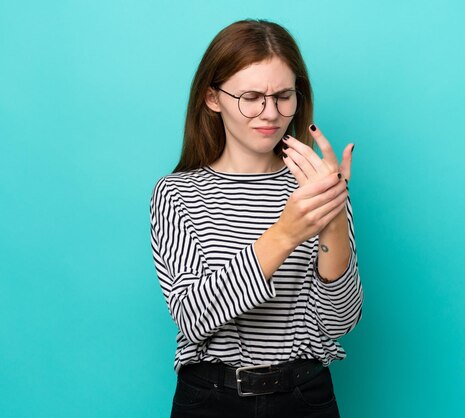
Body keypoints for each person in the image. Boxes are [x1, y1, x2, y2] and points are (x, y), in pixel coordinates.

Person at [150, 18, 363, 418]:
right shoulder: (177, 193)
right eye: (251, 96)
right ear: (213, 98)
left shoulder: (317, 184)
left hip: (305, 396)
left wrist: (332, 216)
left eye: (284, 95)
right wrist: (285, 233)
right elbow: (195, 317)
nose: (270, 113)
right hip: (211, 399)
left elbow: (340, 322)